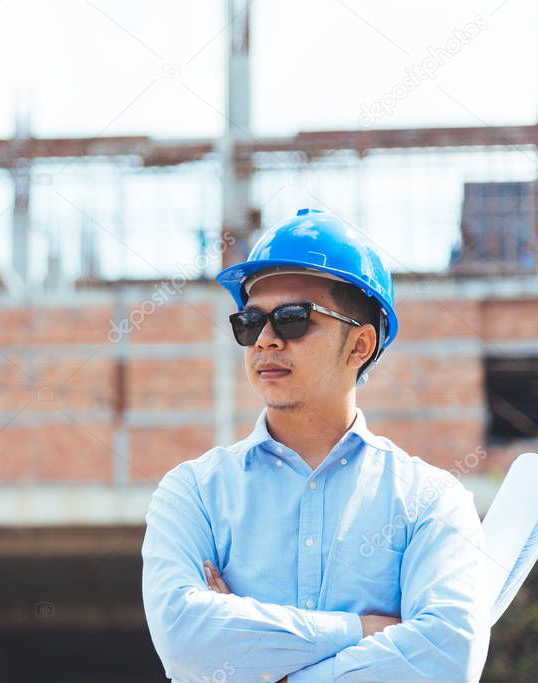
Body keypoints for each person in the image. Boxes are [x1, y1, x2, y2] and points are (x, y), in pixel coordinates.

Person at [141, 209, 490, 682]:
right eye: (249, 322)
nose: (264, 340)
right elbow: (185, 642)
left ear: (360, 345)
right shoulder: (194, 493)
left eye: (291, 319)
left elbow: (447, 659)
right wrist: (361, 631)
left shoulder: (429, 501)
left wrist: (265, 662)